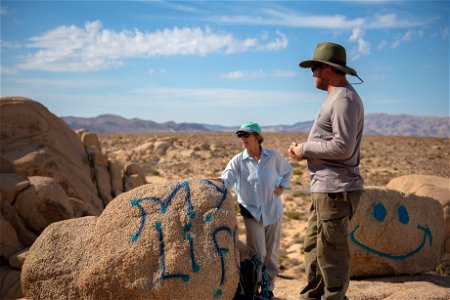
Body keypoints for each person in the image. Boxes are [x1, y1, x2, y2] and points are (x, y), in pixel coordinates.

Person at [289, 42, 364, 300]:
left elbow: (343, 147)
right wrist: (304, 151)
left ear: (327, 68)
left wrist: (306, 149)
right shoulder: (335, 97)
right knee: (313, 247)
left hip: (335, 189)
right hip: (324, 187)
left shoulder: (343, 99)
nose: (312, 74)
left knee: (331, 253)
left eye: (314, 68)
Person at [215, 121, 292, 300]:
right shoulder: (238, 161)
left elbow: (288, 171)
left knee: (271, 254)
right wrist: (208, 181)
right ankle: (256, 289)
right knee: (258, 253)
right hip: (251, 213)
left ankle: (268, 290)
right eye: (240, 136)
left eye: (246, 135)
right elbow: (226, 180)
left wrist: (282, 186)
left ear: (257, 137)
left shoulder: (273, 157)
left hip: (273, 211)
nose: (242, 139)